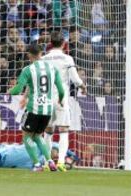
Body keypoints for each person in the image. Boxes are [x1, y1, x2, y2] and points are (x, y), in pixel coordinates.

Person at [9, 44, 65, 172]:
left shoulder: (27, 70)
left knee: (27, 137)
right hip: (47, 110)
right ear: (41, 54)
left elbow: (18, 89)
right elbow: (61, 90)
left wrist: (9, 92)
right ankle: (50, 161)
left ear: (29, 54)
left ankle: (37, 164)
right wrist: (61, 100)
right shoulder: (52, 68)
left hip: (33, 109)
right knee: (38, 136)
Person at [41, 31, 87, 172]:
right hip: (61, 99)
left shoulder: (43, 59)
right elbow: (74, 77)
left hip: (47, 99)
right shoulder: (67, 59)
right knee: (63, 130)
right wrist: (82, 86)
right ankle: (61, 162)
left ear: (50, 43)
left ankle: (47, 163)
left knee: (48, 131)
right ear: (63, 44)